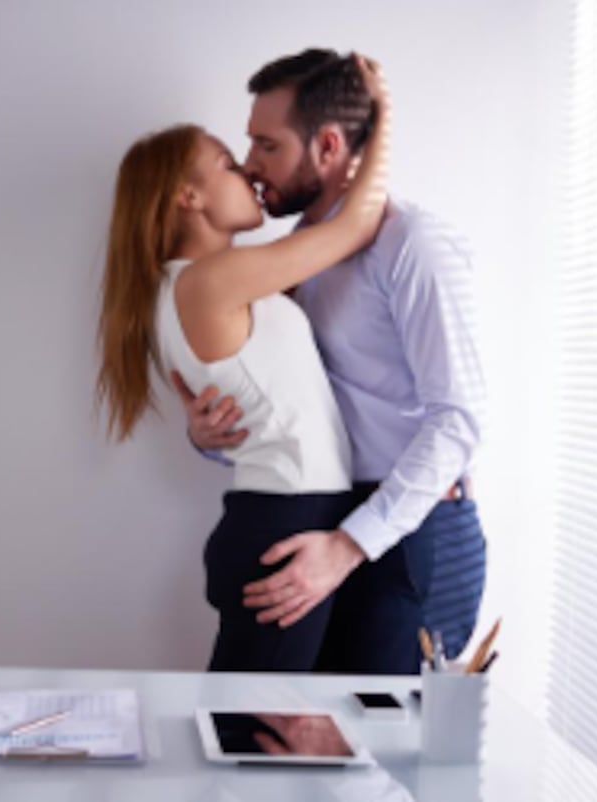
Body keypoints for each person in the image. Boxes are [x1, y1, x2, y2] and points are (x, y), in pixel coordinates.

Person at [175, 48, 488, 675]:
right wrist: (210, 436)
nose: (250, 163)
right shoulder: (297, 258)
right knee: (304, 727)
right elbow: (296, 407)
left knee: (382, 732)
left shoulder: (412, 244)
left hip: (410, 530)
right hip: (328, 517)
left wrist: (349, 546)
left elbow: (458, 420)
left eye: (267, 145)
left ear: (327, 146)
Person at [95, 55, 391, 671]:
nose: (249, 172)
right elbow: (357, 225)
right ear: (188, 196)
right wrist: (380, 116)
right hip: (287, 519)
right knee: (252, 719)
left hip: (281, 516)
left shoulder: (201, 284)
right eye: (229, 165)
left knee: (260, 714)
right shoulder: (210, 283)